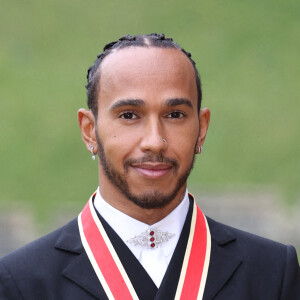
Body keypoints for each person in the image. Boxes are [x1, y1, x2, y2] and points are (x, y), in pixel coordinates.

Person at [0, 33, 299, 300]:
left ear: (202, 128)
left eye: (175, 115)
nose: (155, 142)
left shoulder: (272, 273)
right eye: (129, 115)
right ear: (90, 130)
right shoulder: (21, 283)